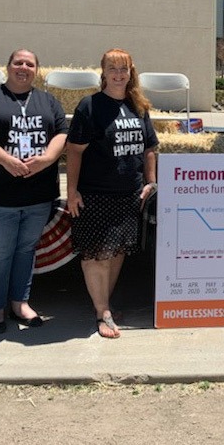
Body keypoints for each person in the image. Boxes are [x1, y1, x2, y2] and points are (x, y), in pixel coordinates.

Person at [0, 49, 67, 334]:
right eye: (18, 62)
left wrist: (47, 159)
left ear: (37, 70)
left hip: (38, 195)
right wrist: (5, 160)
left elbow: (61, 133)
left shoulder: (48, 100)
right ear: (8, 66)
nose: (23, 67)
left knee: (26, 250)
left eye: (30, 64)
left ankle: (20, 303)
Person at [66, 49, 158, 339]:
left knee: (117, 253)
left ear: (131, 73)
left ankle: (104, 304)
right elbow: (74, 151)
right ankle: (102, 312)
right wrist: (71, 192)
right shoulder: (89, 106)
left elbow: (150, 148)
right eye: (112, 68)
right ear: (102, 73)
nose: (119, 74)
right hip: (95, 194)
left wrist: (150, 182)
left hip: (129, 194)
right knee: (97, 256)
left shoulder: (138, 106)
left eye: (124, 69)